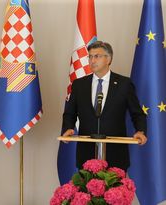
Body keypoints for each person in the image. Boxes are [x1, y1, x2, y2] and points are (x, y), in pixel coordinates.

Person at [62, 41, 147, 171]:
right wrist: (68, 128)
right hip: (87, 153)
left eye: (97, 56)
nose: (92, 60)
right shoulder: (79, 85)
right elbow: (70, 113)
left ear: (109, 59)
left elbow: (137, 113)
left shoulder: (124, 84)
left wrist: (140, 131)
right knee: (86, 191)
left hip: (116, 153)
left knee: (114, 192)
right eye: (90, 56)